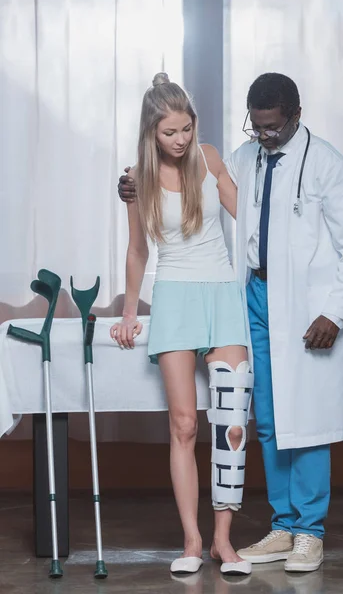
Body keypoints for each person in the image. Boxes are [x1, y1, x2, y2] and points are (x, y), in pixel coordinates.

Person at [118, 72, 343, 574]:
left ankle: (306, 532)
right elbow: (183, 201)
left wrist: (335, 309)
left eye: (271, 127)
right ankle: (278, 526)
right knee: (269, 417)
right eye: (255, 128)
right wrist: (130, 185)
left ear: (295, 116)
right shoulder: (245, 155)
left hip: (292, 300)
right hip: (241, 294)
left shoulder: (319, 162)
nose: (263, 136)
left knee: (285, 417)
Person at [110, 73, 253, 576]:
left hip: (221, 295)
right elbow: (136, 250)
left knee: (232, 419)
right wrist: (130, 312)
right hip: (172, 297)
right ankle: (192, 540)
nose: (181, 140)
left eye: (187, 129)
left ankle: (222, 541)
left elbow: (250, 219)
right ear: (152, 132)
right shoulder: (137, 179)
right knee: (185, 424)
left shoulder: (210, 158)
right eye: (171, 132)